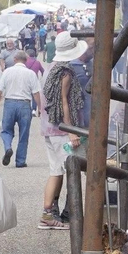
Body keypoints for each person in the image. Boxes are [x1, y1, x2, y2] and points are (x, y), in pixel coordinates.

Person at [38, 31, 88, 230]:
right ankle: (48, 214)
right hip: (60, 131)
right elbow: (64, 102)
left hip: (49, 128)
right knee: (63, 171)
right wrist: (71, 131)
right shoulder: (65, 72)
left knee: (56, 170)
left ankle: (49, 213)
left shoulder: (51, 67)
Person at [0, 50, 43, 168]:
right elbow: (36, 92)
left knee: (6, 130)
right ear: (26, 61)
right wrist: (39, 107)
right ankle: (20, 161)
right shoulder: (31, 74)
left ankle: (8, 147)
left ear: (14, 59)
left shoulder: (7, 72)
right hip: (24, 105)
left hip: (10, 103)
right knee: (24, 134)